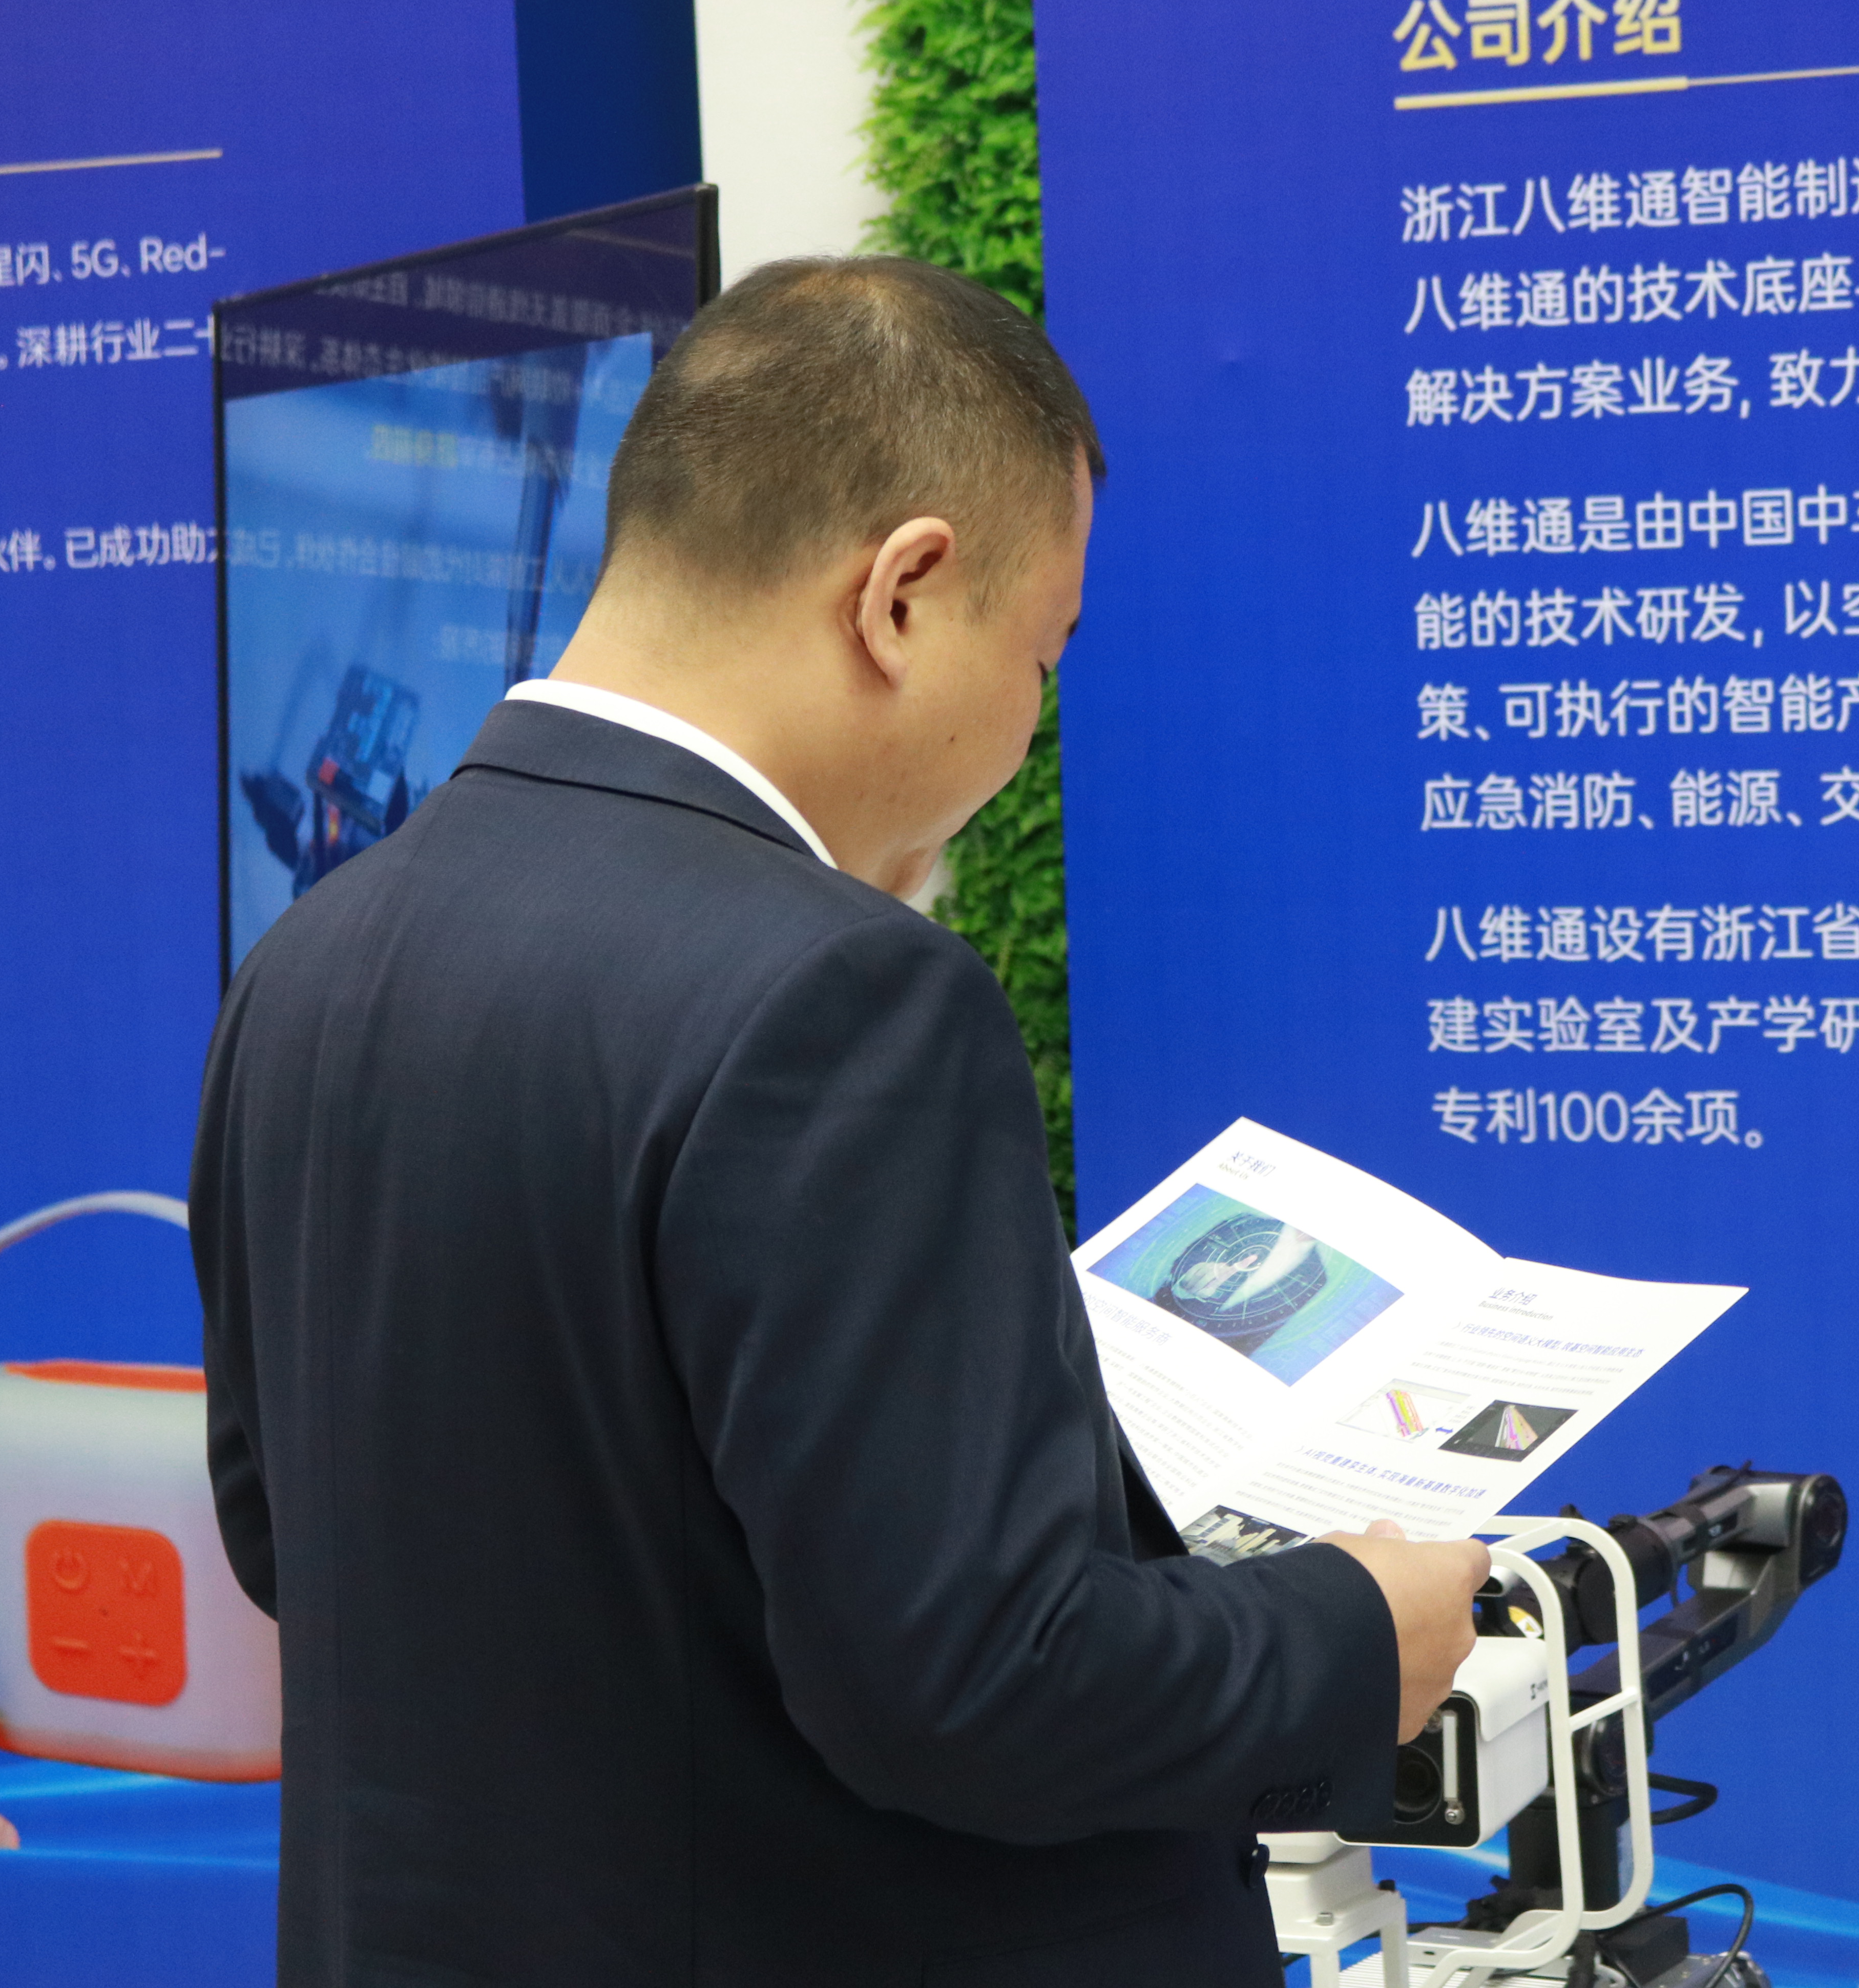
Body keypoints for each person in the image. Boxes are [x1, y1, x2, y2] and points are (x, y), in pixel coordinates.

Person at [191, 256, 1490, 1986]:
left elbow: (288, 1533)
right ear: (902, 593)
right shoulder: (843, 992)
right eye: (1039, 661)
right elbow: (978, 1684)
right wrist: (1351, 1635)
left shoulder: (310, 961)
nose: (1024, 731)